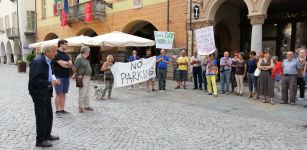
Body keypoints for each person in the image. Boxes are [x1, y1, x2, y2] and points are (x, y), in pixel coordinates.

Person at [28, 44, 60, 147]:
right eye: (54, 51)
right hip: (38, 92)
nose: (56, 53)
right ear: (47, 52)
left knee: (49, 114)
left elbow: (50, 73)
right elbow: (34, 80)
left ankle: (46, 135)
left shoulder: (49, 60)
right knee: (41, 116)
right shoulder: (39, 62)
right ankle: (40, 140)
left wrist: (53, 79)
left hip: (45, 91)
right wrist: (50, 83)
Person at [52, 40, 73, 118]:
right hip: (58, 76)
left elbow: (71, 65)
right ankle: (57, 111)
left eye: (67, 44)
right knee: (58, 94)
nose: (67, 46)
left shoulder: (66, 55)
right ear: (60, 45)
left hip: (66, 76)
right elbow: (62, 65)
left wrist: (66, 63)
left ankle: (62, 109)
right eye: (65, 44)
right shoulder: (56, 53)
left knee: (64, 93)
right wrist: (67, 64)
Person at [72, 46, 94, 113]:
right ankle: (80, 107)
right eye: (89, 51)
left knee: (86, 92)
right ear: (86, 51)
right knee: (82, 92)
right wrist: (76, 75)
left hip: (87, 77)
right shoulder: (79, 58)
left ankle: (86, 106)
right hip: (82, 77)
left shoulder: (85, 58)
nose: (89, 53)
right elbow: (74, 68)